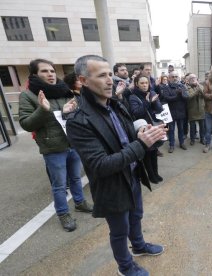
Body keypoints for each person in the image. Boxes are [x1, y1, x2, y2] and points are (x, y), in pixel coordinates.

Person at [66, 55, 166, 276]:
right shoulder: (78, 120)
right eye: (102, 75)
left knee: (136, 216)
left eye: (110, 74)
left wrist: (143, 133)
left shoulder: (116, 105)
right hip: (111, 185)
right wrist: (141, 144)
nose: (110, 80)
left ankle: (139, 246)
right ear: (83, 80)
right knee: (120, 231)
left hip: (131, 175)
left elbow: (128, 135)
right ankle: (125, 267)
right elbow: (100, 165)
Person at [19, 59, 93, 232]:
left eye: (52, 71)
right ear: (35, 75)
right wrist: (43, 110)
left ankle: (80, 202)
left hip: (72, 143)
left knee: (75, 178)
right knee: (59, 184)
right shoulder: (28, 95)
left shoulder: (65, 91)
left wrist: (72, 113)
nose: (50, 74)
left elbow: (77, 116)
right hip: (52, 148)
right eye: (45, 71)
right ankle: (63, 214)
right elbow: (26, 123)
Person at [129, 74, 164, 184]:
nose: (145, 85)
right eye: (142, 83)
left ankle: (156, 173)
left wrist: (154, 102)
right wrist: (148, 102)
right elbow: (137, 112)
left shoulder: (152, 93)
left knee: (154, 151)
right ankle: (151, 176)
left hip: (153, 125)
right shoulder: (133, 97)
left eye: (146, 83)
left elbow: (160, 110)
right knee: (147, 153)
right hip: (143, 128)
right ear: (136, 84)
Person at [163, 71, 189, 153]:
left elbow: (187, 97)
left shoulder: (182, 86)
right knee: (171, 130)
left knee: (181, 129)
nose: (174, 78)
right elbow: (167, 98)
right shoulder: (167, 88)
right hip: (171, 112)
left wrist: (181, 95)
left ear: (178, 77)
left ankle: (181, 143)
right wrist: (177, 96)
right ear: (169, 78)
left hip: (181, 111)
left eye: (176, 76)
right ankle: (171, 145)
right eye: (172, 76)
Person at [186, 73, 206, 146]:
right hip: (192, 110)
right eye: (192, 78)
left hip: (201, 109)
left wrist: (198, 87)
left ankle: (202, 138)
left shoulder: (201, 86)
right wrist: (197, 90)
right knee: (192, 127)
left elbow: (204, 95)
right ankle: (192, 139)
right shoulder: (187, 87)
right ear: (189, 80)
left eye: (195, 78)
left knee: (202, 126)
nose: (193, 79)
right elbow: (189, 96)